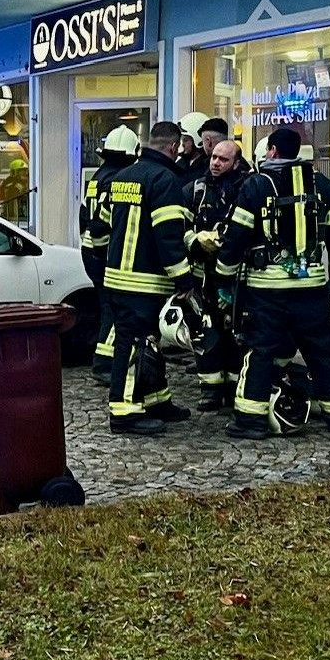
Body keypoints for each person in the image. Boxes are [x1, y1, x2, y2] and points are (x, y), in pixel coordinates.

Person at [215, 127, 330, 439]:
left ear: (274, 151)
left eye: (268, 151)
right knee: (322, 351)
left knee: (261, 351)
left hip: (267, 291)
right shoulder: (323, 185)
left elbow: (236, 238)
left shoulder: (256, 186)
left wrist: (223, 279)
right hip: (313, 290)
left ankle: (251, 421)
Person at [101, 121, 195, 436]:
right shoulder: (164, 180)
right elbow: (168, 234)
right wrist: (183, 277)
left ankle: (156, 400)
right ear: (173, 147)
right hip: (143, 282)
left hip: (117, 277)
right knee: (132, 345)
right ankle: (124, 411)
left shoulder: (123, 176)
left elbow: (104, 224)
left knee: (149, 345)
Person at [185, 137, 250, 410]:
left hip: (238, 277)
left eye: (223, 159)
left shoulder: (248, 188)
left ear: (236, 163)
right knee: (205, 331)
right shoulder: (196, 189)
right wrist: (196, 240)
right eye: (213, 158)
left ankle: (236, 387)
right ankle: (210, 390)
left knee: (237, 333)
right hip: (204, 275)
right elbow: (179, 226)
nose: (215, 163)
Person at [81, 126, 139, 385]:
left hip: (89, 250)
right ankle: (104, 362)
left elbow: (84, 217)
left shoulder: (96, 178)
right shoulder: (118, 180)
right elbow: (102, 224)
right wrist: (105, 254)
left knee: (107, 306)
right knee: (112, 309)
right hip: (102, 251)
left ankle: (105, 359)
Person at [0, 158, 30, 222]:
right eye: (21, 171)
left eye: (25, 170)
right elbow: (12, 204)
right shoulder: (11, 186)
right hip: (13, 217)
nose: (25, 173)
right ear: (14, 172)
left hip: (23, 216)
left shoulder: (27, 183)